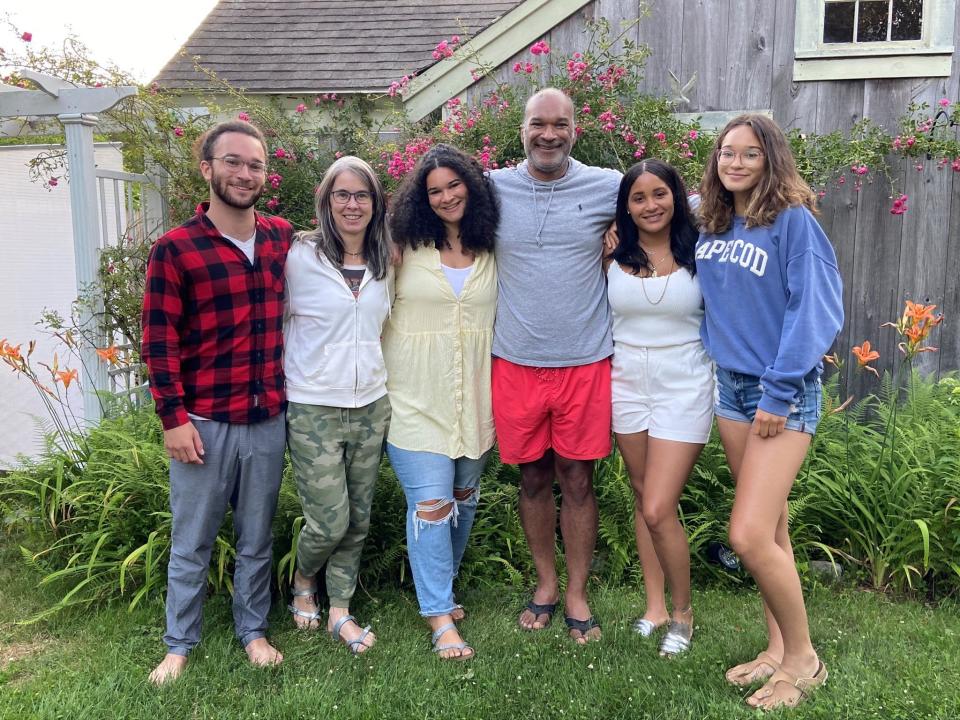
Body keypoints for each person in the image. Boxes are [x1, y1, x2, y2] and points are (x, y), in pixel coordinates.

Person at [696, 114, 842, 709]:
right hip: (730, 389)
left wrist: (779, 393)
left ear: (770, 160)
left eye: (749, 154)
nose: (734, 163)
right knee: (773, 528)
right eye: (726, 153)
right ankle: (776, 649)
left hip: (779, 392)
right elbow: (644, 200)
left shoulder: (794, 224)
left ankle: (804, 661)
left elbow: (816, 311)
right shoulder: (712, 219)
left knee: (749, 533)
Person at [142, 120, 292, 685]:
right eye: (233, 162)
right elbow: (158, 340)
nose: (244, 173)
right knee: (193, 541)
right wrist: (172, 420)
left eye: (254, 165)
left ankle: (252, 631)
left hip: (267, 420)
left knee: (257, 537)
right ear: (207, 169)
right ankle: (179, 644)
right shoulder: (175, 249)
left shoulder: (280, 238)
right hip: (202, 423)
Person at [489, 88, 620, 643]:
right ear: (521, 129)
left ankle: (577, 592)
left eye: (559, 125)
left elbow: (677, 209)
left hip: (585, 362)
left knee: (578, 478)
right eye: (538, 124)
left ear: (575, 130)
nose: (548, 134)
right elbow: (429, 207)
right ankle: (545, 583)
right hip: (515, 360)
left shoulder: (608, 185)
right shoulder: (492, 188)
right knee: (534, 477)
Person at [383, 143, 499, 660]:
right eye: (434, 190)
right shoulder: (402, 246)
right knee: (431, 506)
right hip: (414, 398)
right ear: (421, 199)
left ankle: (442, 588)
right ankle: (437, 616)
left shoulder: (493, 248)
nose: (447, 196)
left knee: (463, 502)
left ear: (472, 187)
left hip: (475, 402)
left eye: (455, 185)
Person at [283, 156, 393, 653]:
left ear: (376, 203)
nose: (352, 204)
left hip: (371, 405)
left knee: (360, 516)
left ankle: (340, 608)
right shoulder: (297, 258)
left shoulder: (388, 261)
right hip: (313, 407)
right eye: (342, 195)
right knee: (330, 518)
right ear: (326, 202)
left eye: (362, 195)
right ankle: (304, 580)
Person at [605, 159, 713, 657]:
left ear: (677, 197)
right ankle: (654, 606)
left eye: (660, 194)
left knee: (658, 505)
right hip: (626, 382)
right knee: (641, 493)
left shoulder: (704, 249)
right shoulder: (609, 253)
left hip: (684, 383)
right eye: (639, 197)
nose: (651, 205)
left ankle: (684, 613)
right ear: (626, 206)